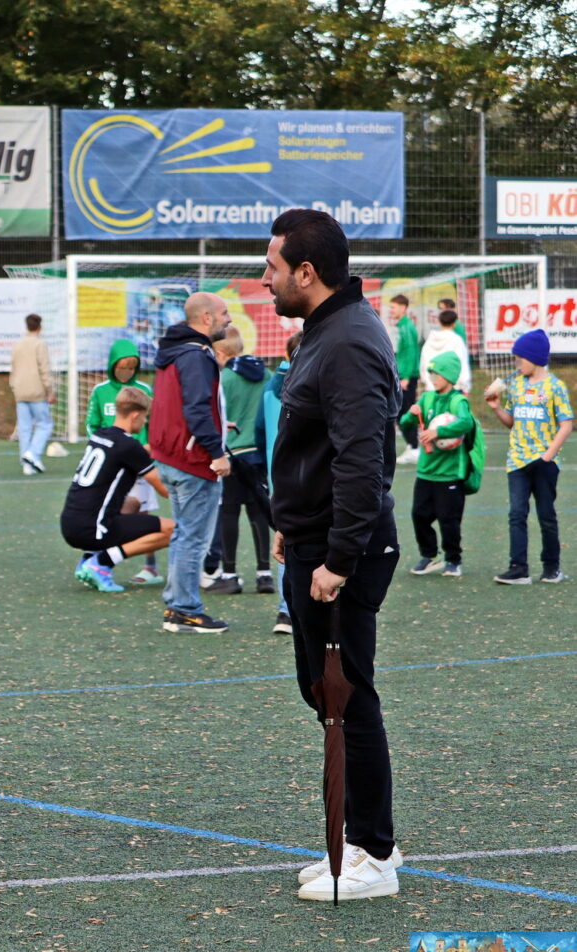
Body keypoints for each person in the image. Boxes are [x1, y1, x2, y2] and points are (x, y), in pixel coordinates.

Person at [263, 208, 404, 901]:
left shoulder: (345, 341)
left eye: (271, 269)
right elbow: (319, 450)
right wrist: (294, 522)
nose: (266, 283)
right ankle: (355, 841)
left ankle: (373, 855)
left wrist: (339, 558)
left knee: (346, 697)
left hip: (339, 553)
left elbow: (362, 460)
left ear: (305, 273)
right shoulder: (326, 332)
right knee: (326, 694)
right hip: (316, 539)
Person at [149, 291, 234, 634]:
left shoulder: (174, 351)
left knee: (184, 534)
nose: (229, 318)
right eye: (224, 312)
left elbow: (185, 405)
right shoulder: (197, 355)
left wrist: (218, 425)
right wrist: (216, 452)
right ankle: (184, 609)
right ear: (207, 318)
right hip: (192, 458)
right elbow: (196, 407)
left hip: (171, 455)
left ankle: (177, 604)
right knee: (193, 537)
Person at [62, 386, 174, 593]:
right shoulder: (129, 446)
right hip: (92, 529)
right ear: (135, 415)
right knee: (173, 531)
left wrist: (157, 447)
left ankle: (88, 557)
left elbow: (133, 453)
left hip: (71, 522)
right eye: (144, 418)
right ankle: (102, 562)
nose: (145, 422)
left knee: (133, 503)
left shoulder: (101, 435)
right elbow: (165, 491)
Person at [484, 328, 573, 584]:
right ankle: (518, 568)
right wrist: (497, 407)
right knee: (516, 514)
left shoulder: (555, 387)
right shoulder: (516, 385)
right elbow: (512, 422)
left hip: (543, 462)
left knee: (546, 516)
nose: (516, 363)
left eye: (519, 359)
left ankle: (551, 568)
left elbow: (566, 423)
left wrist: (548, 455)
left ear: (534, 358)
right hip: (517, 461)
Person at [85, 338, 162, 585]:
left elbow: (155, 424)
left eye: (132, 367)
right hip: (111, 466)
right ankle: (98, 561)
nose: (127, 372)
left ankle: (150, 567)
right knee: (108, 510)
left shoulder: (145, 390)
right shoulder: (100, 391)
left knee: (144, 509)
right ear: (112, 365)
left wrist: (150, 447)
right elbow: (91, 425)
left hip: (140, 462)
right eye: (123, 367)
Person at [206, 326, 274, 597]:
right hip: (259, 452)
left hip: (232, 454)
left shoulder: (223, 378)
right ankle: (264, 574)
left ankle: (230, 574)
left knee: (229, 512)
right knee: (259, 512)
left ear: (220, 352)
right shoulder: (267, 374)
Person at [401, 351, 475, 578]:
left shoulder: (458, 401)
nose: (433, 377)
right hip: (426, 471)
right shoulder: (426, 398)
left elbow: (466, 422)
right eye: (431, 373)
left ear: (449, 376)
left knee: (449, 520)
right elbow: (404, 424)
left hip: (449, 473)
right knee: (419, 515)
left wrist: (438, 432)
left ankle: (453, 560)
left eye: (437, 373)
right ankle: (430, 555)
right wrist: (412, 415)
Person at [260, 330, 302, 634]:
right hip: (312, 476)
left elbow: (259, 429)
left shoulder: (270, 389)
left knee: (287, 540)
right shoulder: (313, 385)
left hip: (279, 479)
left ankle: (286, 612)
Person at [9, 313, 54, 475]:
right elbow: (44, 369)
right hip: (37, 391)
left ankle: (27, 465)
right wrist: (50, 390)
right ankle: (33, 453)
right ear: (40, 327)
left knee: (25, 427)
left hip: (20, 390)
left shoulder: (18, 344)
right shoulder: (39, 344)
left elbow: (13, 368)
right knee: (45, 424)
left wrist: (13, 386)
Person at [390, 294, 421, 466]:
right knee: (401, 412)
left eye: (394, 307)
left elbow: (410, 353)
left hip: (406, 377)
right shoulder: (402, 326)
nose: (392, 311)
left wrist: (407, 377)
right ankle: (412, 445)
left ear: (403, 308)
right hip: (403, 375)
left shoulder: (407, 327)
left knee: (404, 412)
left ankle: (415, 447)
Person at [419, 309, 470, 394]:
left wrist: (427, 381)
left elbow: (424, 364)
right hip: (451, 389)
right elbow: (462, 364)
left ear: (439, 322)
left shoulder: (429, 341)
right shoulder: (456, 341)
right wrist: (465, 386)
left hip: (432, 387)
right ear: (454, 324)